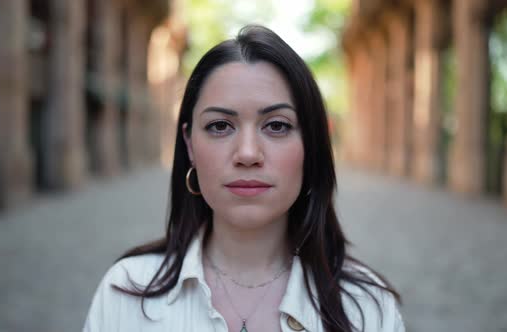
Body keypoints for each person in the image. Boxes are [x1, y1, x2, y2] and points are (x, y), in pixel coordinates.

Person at [83, 25, 404, 332]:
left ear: (312, 145)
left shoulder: (367, 307)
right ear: (190, 144)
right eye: (220, 126)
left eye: (276, 125)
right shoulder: (125, 293)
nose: (248, 153)